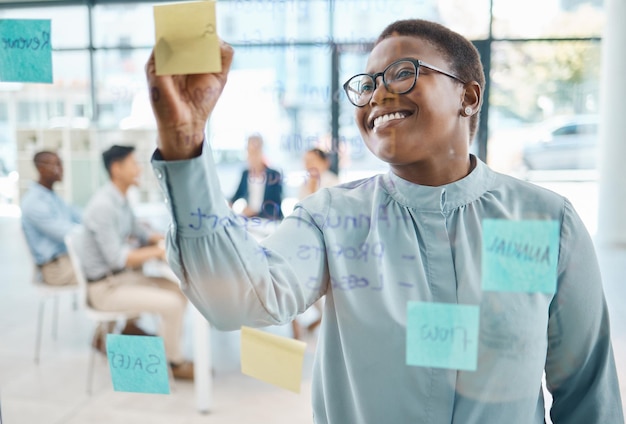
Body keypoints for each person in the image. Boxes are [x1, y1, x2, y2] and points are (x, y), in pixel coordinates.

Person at [146, 19, 623, 423]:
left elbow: (585, 391)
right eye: (367, 82)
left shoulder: (538, 222)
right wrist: (184, 143)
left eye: (403, 72)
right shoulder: (333, 220)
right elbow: (236, 300)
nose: (378, 93)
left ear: (469, 97)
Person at [80, 145, 193, 380]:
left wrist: (174, 237)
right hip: (106, 288)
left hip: (120, 278)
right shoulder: (104, 206)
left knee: (179, 291)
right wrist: (157, 252)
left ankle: (150, 342)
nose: (139, 169)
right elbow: (117, 257)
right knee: (172, 303)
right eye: (134, 164)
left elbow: (140, 232)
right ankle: (173, 363)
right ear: (117, 169)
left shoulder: (120, 200)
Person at [291, 148, 339, 339]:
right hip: (306, 243)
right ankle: (297, 325)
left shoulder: (332, 182)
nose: (308, 165)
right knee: (295, 278)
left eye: (312, 160)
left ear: (324, 162)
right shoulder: (304, 185)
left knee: (314, 283)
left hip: (326, 244)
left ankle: (320, 319)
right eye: (305, 161)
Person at [21, 151, 81, 286]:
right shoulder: (33, 202)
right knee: (103, 270)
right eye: (57, 165)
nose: (61, 169)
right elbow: (66, 234)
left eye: (61, 164)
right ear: (41, 169)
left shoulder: (53, 197)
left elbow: (80, 217)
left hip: (68, 259)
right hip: (55, 268)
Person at [230, 134, 283, 220]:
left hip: (268, 221)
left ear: (261, 151)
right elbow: (235, 197)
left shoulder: (274, 175)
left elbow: (276, 205)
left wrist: (255, 211)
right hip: (249, 220)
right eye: (250, 151)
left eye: (255, 151)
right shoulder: (245, 174)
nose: (252, 155)